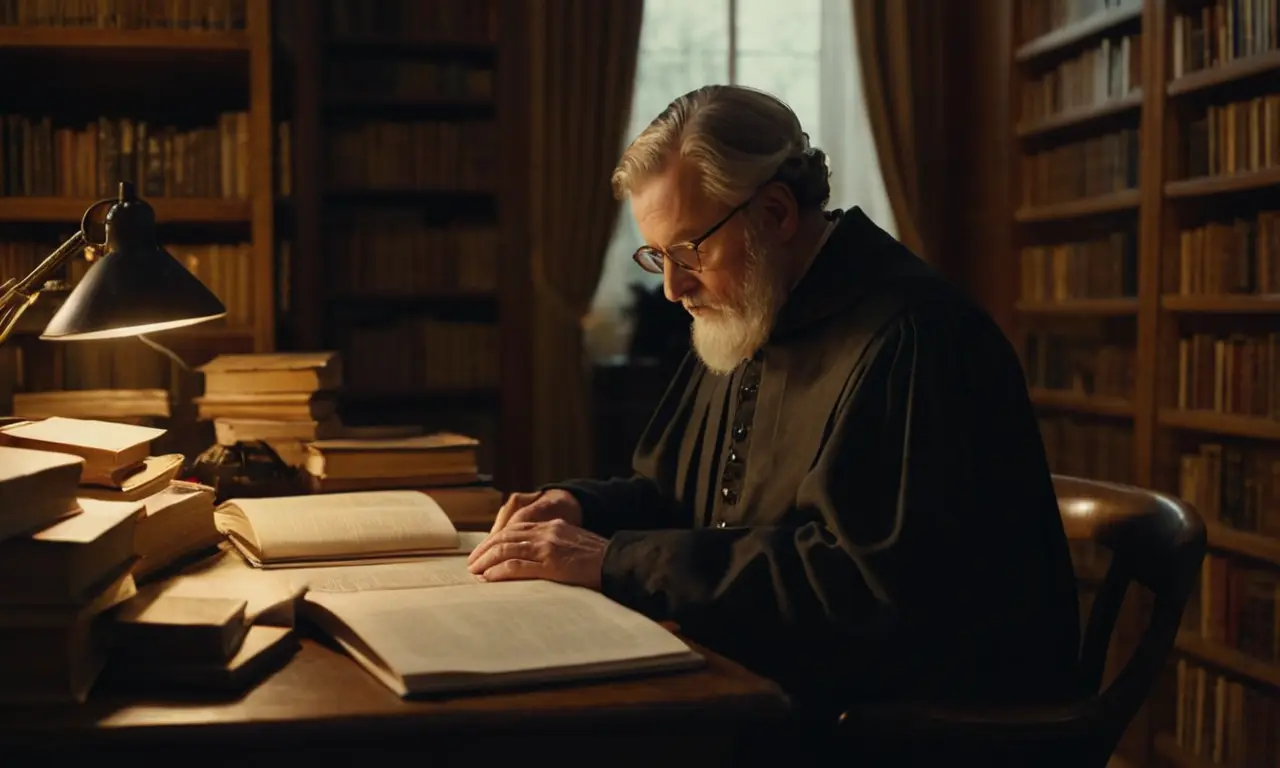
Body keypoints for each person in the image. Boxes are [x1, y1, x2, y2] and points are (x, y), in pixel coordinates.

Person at [467, 85, 1080, 721]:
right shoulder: (751, 309)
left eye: (689, 252)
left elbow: (864, 590)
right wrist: (579, 506)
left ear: (778, 214)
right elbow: (678, 498)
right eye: (658, 257)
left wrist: (616, 562)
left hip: (908, 730)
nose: (674, 288)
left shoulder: (916, 340)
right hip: (774, 685)